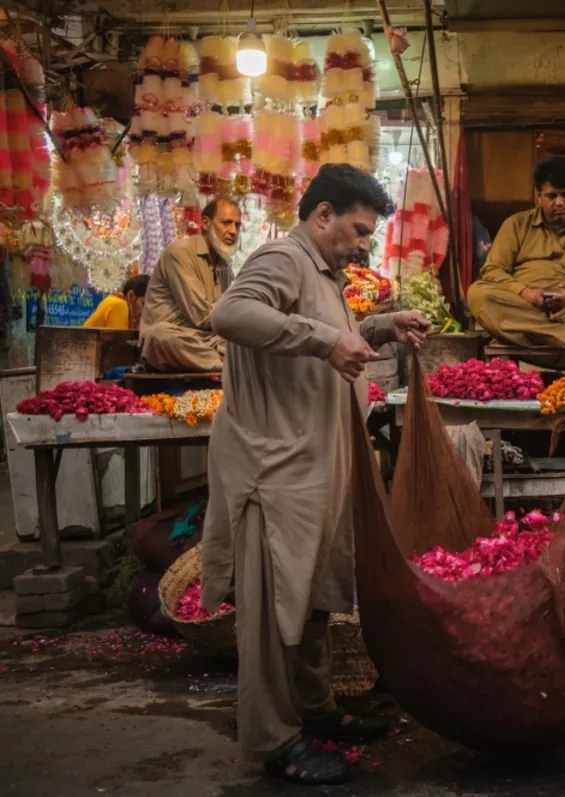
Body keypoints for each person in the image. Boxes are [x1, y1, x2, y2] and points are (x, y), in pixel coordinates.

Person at [200, 164, 431, 785]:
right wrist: (324, 339)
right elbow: (232, 316)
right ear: (322, 214)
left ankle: (314, 710)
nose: (362, 245)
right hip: (273, 470)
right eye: (357, 231)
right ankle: (274, 741)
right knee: (276, 610)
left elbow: (334, 335)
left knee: (313, 603)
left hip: (315, 467)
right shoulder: (282, 259)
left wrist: (381, 326)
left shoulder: (323, 274)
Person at [466, 157, 565, 347]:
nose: (559, 202)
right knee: (478, 294)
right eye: (552, 196)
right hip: (526, 302)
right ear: (538, 197)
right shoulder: (516, 224)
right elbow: (493, 270)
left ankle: (530, 332)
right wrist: (525, 293)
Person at [138, 197, 242, 371]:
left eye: (237, 225)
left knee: (248, 339)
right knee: (161, 336)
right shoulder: (179, 252)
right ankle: (225, 363)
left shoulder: (225, 267)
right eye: (226, 223)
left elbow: (223, 317)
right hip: (178, 337)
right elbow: (201, 317)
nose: (233, 231)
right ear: (206, 224)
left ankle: (221, 361)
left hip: (206, 339)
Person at [83, 275, 149, 330]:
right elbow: (118, 341)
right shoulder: (120, 305)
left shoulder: (118, 300)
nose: (146, 311)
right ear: (131, 296)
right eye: (143, 304)